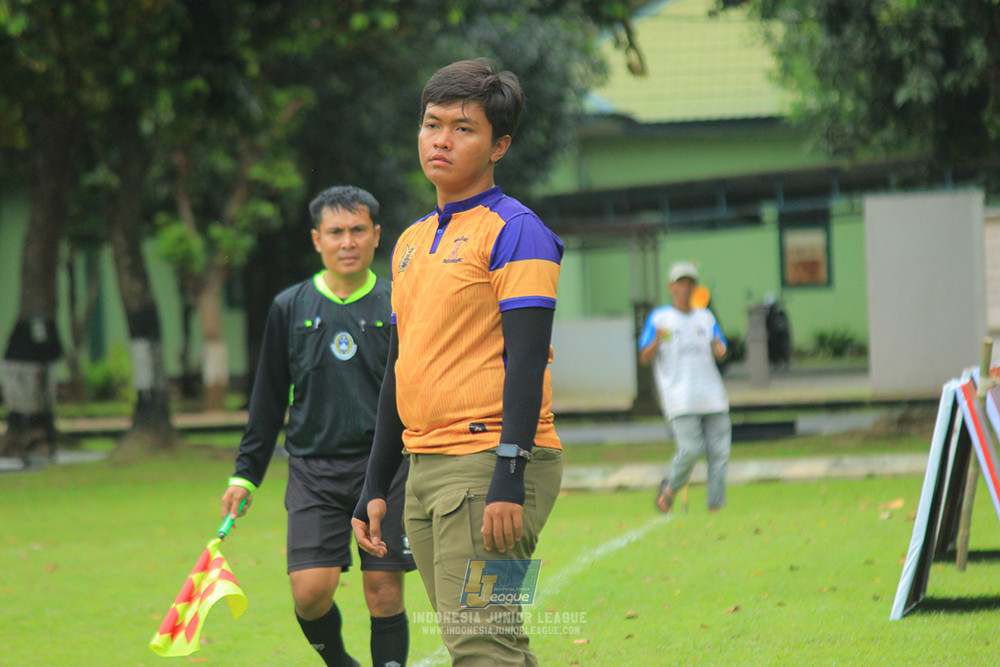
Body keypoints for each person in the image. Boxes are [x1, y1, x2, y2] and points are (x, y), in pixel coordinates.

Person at [351, 58, 564, 666]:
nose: (441, 140)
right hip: (426, 469)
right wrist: (376, 483)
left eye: (463, 128)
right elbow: (401, 367)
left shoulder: (517, 231)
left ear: (500, 146)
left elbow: (527, 359)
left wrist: (509, 476)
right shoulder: (411, 241)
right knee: (486, 644)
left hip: (488, 463)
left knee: (481, 645)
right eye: (432, 124)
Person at [220, 185, 415, 667]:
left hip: (387, 469)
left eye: (357, 230)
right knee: (310, 593)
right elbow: (268, 399)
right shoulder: (290, 306)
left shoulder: (399, 302)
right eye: (335, 232)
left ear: (376, 236)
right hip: (314, 471)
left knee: (383, 589)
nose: (347, 242)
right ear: (317, 239)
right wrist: (245, 474)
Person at [638, 260, 732, 513]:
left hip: (713, 396)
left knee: (719, 454)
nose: (685, 288)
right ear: (671, 287)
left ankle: (716, 506)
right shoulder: (660, 318)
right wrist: (656, 341)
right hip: (680, 397)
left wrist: (719, 349)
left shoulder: (705, 317)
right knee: (690, 450)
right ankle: (670, 488)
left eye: (690, 283)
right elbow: (644, 357)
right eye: (680, 283)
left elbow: (721, 350)